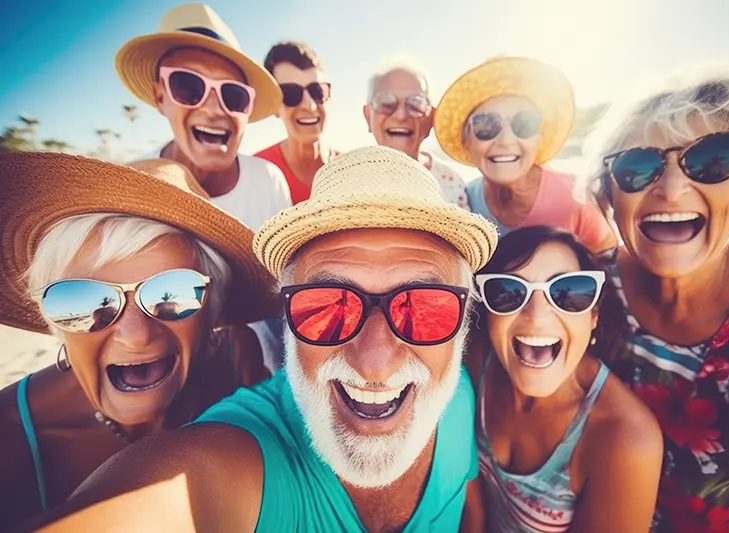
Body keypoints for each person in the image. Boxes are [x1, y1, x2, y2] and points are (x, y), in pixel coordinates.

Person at [27, 146, 498, 533]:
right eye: (326, 305)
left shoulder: (459, 398)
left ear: (464, 321)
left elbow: (470, 512)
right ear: (287, 320)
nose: (375, 362)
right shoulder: (240, 454)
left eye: (425, 308)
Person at [0, 153, 276, 531]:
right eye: (82, 301)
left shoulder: (238, 357)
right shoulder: (9, 435)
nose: (136, 334)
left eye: (172, 293)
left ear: (213, 309)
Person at [585, 71, 729, 531]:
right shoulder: (579, 293)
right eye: (637, 167)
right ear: (609, 196)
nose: (671, 189)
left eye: (711, 158)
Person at [116, 3, 292, 370]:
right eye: (188, 86)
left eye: (234, 95)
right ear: (159, 95)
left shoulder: (267, 180)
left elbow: (282, 291)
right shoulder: (128, 188)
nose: (214, 109)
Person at [461, 226, 662, 533]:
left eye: (568, 292)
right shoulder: (475, 361)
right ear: (487, 311)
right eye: (508, 292)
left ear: (593, 315)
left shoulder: (625, 440)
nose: (537, 316)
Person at [435, 56, 617, 253]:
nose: (505, 140)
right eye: (486, 125)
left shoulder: (579, 196)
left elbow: (611, 270)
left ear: (540, 136)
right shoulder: (464, 201)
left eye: (525, 123)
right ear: (467, 141)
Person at [364, 59, 469, 209]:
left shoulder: (451, 183)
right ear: (368, 116)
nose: (401, 115)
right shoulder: (347, 181)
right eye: (386, 103)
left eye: (416, 104)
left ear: (431, 117)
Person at [254, 41, 338, 205]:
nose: (310, 105)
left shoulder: (353, 173)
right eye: (291, 94)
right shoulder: (257, 176)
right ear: (274, 107)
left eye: (317, 91)